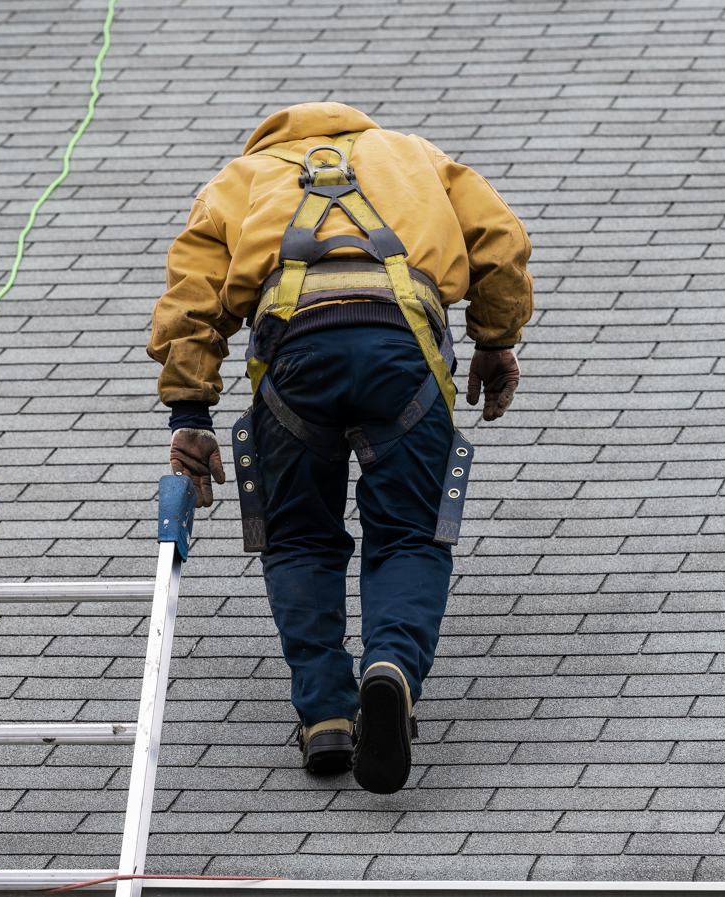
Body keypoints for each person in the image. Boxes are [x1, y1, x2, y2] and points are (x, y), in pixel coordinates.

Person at [148, 102, 532, 794]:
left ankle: (325, 711)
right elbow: (498, 239)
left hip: (294, 358)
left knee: (298, 538)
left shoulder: (243, 176)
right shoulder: (414, 157)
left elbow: (190, 297)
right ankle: (390, 669)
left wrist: (190, 409)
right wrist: (495, 340)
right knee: (410, 534)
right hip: (401, 351)